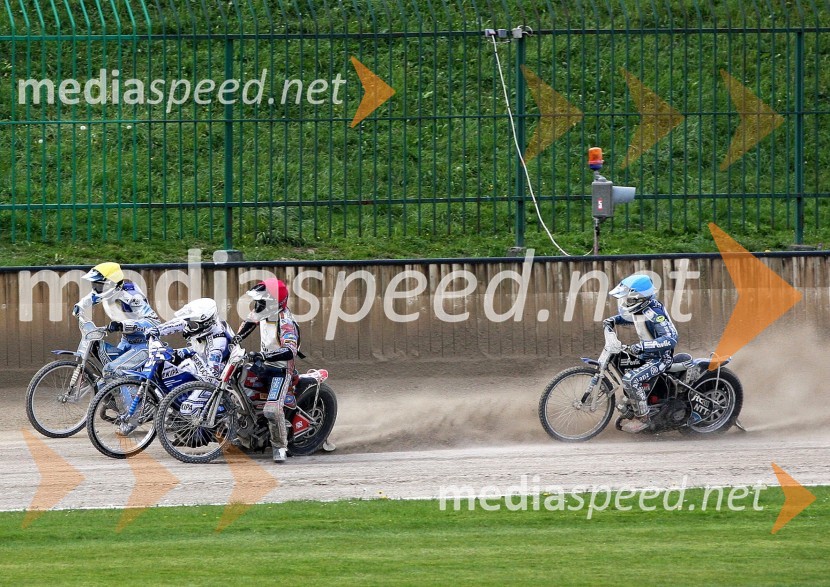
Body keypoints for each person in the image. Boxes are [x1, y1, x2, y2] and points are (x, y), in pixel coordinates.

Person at [234, 278, 300, 463]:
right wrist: (234, 340)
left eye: (263, 301)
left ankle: (279, 447)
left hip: (280, 370)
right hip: (263, 364)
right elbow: (247, 324)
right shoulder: (261, 312)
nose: (258, 305)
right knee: (241, 399)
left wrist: (265, 357)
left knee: (271, 410)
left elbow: (290, 350)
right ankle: (246, 436)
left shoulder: (285, 321)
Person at [604, 274, 678, 433]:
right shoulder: (642, 308)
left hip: (660, 358)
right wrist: (614, 320)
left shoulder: (654, 313)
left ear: (638, 297)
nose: (624, 302)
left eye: (627, 299)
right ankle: (635, 405)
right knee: (624, 366)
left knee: (631, 379)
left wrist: (643, 346)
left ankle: (643, 418)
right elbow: (632, 318)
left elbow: (671, 338)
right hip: (646, 355)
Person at [73, 262, 160, 379]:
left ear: (111, 284)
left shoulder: (132, 296)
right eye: (94, 285)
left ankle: (131, 396)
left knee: (112, 371)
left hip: (145, 344)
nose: (95, 289)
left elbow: (154, 322)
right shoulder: (109, 291)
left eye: (99, 286)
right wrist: (80, 306)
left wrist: (123, 325)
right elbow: (92, 297)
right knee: (106, 375)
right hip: (126, 341)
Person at [144, 298, 235, 383]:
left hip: (216, 372)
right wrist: (158, 330)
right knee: (170, 355)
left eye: (192, 325)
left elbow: (211, 376)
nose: (188, 327)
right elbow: (181, 322)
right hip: (202, 355)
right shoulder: (205, 323)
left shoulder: (217, 343)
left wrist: (188, 354)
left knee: (180, 369)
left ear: (206, 324)